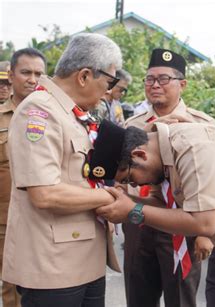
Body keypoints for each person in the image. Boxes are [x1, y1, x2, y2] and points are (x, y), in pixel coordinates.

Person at [2, 33, 122, 307]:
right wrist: (111, 197)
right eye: (109, 82)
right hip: (54, 267)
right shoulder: (40, 112)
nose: (108, 91)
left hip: (84, 257)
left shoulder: (72, 113)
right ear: (83, 76)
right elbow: (45, 194)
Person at [89, 120, 215, 307]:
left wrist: (132, 210)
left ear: (139, 155)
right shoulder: (161, 153)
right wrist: (125, 201)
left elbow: (204, 223)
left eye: (130, 179)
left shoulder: (194, 148)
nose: (134, 186)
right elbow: (162, 203)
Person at [120, 49, 215, 307]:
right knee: (138, 295)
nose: (155, 85)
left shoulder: (201, 124)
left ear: (182, 84)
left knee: (180, 298)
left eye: (163, 79)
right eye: (150, 80)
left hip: (182, 225)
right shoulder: (133, 125)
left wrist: (205, 234)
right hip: (139, 224)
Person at [0, 48, 46, 307]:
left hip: (44, 218)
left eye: (38, 73)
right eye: (26, 72)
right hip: (5, 219)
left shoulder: (53, 118)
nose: (32, 79)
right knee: (11, 287)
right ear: (11, 75)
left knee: (43, 287)